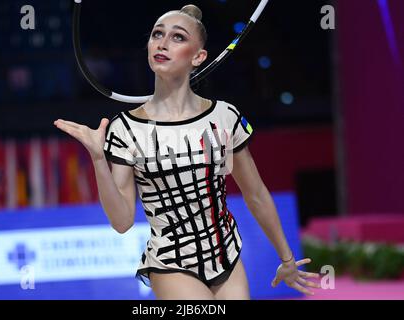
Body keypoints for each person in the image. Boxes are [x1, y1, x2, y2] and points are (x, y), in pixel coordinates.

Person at [54, 4, 321, 300]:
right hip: (171, 263)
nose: (163, 43)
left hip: (227, 256)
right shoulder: (125, 129)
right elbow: (121, 222)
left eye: (178, 37)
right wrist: (97, 159)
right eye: (157, 34)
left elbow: (255, 193)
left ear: (199, 56)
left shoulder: (224, 117)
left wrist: (286, 260)